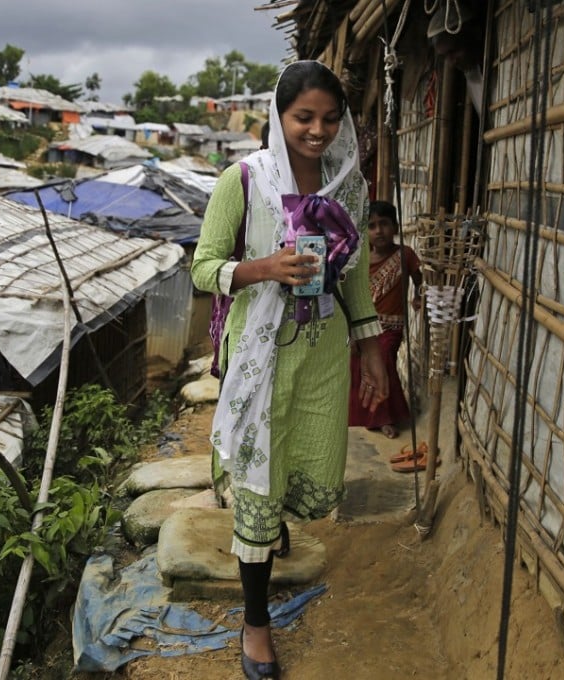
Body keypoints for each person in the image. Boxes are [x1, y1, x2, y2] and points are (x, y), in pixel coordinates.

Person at [191, 60, 389, 680]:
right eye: (304, 117)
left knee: (305, 466)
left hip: (323, 358)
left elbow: (354, 278)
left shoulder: (347, 188)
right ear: (279, 116)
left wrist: (374, 352)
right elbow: (202, 268)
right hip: (259, 358)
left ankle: (271, 528)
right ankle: (256, 624)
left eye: (330, 119)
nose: (318, 131)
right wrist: (264, 269)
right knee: (257, 484)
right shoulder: (243, 181)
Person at [348, 200, 422, 442]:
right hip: (364, 327)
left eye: (384, 224)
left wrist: (419, 297)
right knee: (359, 366)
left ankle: (385, 418)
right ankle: (370, 416)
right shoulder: (360, 261)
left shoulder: (405, 255)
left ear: (395, 227)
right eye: (371, 226)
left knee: (384, 359)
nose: (378, 231)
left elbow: (421, 279)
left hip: (391, 327)